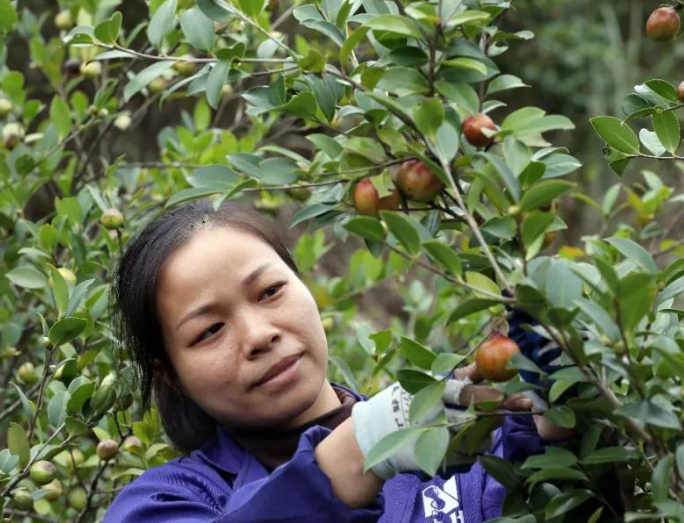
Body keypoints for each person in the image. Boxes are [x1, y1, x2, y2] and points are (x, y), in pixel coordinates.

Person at [104, 199, 565, 523]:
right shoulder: (166, 504)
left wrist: (563, 420)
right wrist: (369, 444)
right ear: (174, 377)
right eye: (209, 331)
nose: (259, 335)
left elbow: (559, 490)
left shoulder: (465, 432)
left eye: (270, 292)